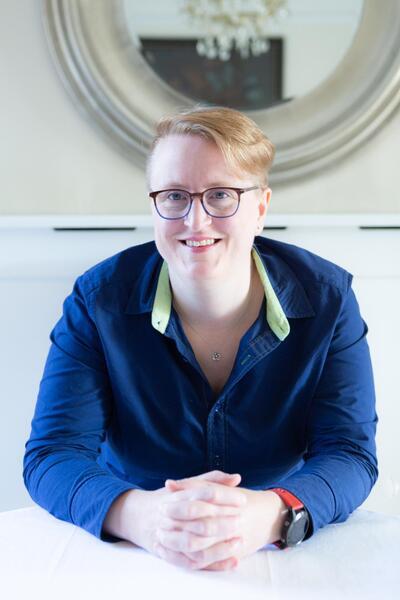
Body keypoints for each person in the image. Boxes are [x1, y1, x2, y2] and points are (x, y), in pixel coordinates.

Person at [23, 105, 378, 572]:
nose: (195, 221)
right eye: (174, 196)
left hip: (275, 543)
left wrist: (272, 513)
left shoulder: (328, 300)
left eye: (221, 195)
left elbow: (349, 453)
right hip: (133, 546)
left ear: (261, 209)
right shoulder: (97, 300)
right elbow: (53, 453)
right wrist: (140, 515)